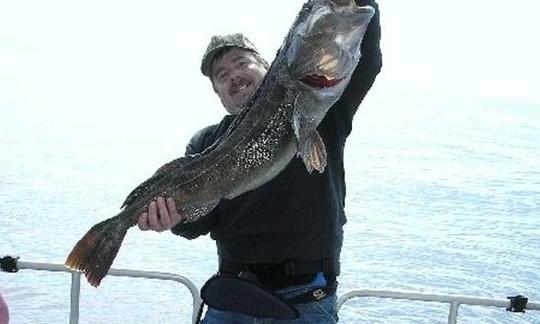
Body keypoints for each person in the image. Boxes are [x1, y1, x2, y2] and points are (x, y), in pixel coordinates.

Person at [138, 0, 381, 322]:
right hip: (233, 297)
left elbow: (367, 59)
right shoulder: (205, 143)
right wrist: (173, 220)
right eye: (222, 75)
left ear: (266, 66)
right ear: (218, 94)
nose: (234, 76)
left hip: (307, 297)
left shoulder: (324, 112)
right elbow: (199, 223)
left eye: (241, 63)